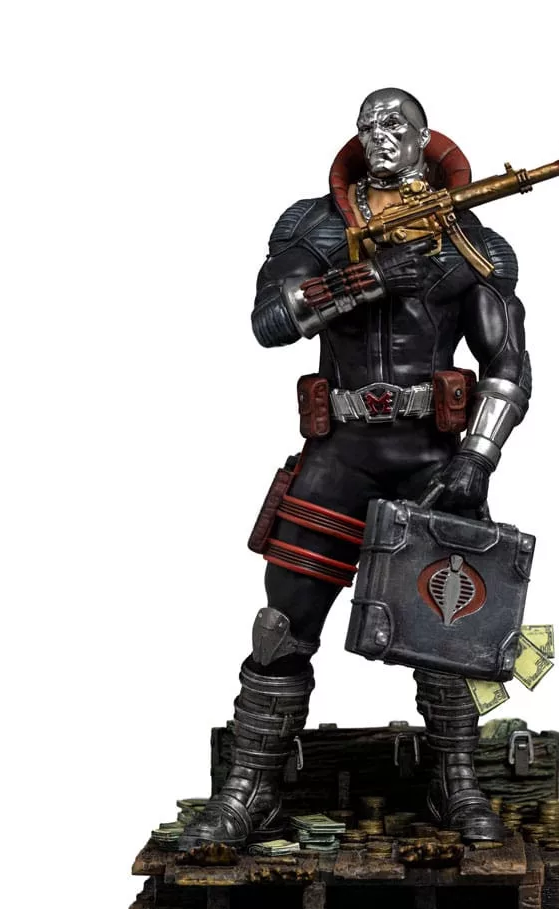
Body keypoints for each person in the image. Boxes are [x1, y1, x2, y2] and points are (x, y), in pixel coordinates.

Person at [179, 88, 531, 850]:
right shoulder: (315, 226)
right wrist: (365, 277)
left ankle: (456, 780)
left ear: (424, 137)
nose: (381, 135)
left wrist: (477, 458)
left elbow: (506, 365)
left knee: (451, 634)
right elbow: (270, 320)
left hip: (432, 461)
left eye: (396, 124)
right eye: (369, 124)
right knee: (282, 626)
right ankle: (251, 789)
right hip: (339, 455)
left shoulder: (471, 240)